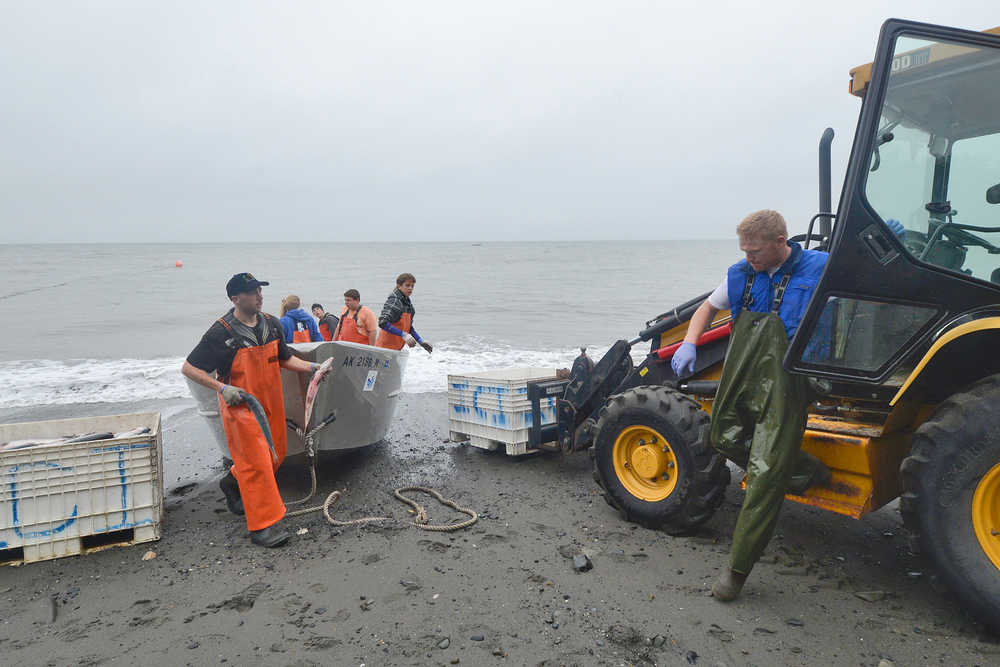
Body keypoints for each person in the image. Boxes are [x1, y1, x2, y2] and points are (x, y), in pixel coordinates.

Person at [670, 210, 830, 601]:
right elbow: (708, 308)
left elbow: (867, 283)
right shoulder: (740, 273)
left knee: (763, 473)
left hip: (792, 378)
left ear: (781, 242)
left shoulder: (821, 266)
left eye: (755, 251)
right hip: (745, 372)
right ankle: (806, 469)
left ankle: (736, 572)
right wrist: (690, 340)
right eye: (744, 250)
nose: (749, 257)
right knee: (721, 436)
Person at [181, 273, 322, 548]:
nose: (260, 296)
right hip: (241, 406)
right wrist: (221, 389)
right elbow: (189, 368)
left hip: (270, 401)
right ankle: (262, 526)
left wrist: (312, 368)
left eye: (260, 290)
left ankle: (233, 483)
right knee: (258, 464)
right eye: (253, 292)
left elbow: (285, 358)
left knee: (273, 457)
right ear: (236, 298)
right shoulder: (221, 331)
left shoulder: (271, 323)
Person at [376, 272, 433, 353]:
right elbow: (382, 322)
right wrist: (404, 335)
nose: (410, 288)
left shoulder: (409, 306)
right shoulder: (394, 301)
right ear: (399, 286)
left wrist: (421, 341)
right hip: (383, 349)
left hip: (396, 351)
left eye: (412, 286)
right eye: (407, 285)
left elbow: (409, 328)